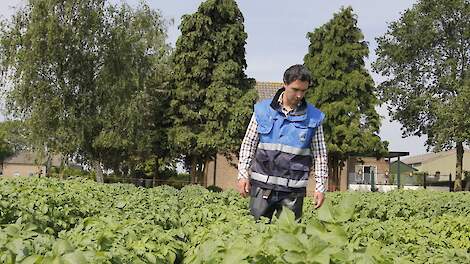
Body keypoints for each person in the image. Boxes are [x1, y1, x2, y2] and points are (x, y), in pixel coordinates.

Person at [237, 64, 328, 221]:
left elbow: (320, 155)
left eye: (304, 91)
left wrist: (320, 188)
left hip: (293, 192)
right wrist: (243, 174)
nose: (300, 95)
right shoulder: (262, 111)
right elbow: (248, 144)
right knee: (255, 237)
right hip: (262, 188)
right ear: (284, 84)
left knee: (289, 240)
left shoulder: (314, 117)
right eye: (295, 89)